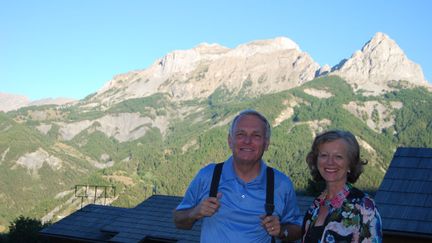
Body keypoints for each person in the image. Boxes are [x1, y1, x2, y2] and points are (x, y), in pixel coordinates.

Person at [174, 109, 302, 242]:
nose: (247, 141)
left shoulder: (281, 184)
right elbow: (178, 220)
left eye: (256, 136)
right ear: (230, 141)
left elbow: (298, 228)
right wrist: (195, 212)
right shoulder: (208, 176)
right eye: (241, 134)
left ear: (266, 143)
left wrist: (281, 231)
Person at [302, 130, 382, 243]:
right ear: (316, 161)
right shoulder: (315, 206)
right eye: (324, 155)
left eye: (338, 156)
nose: (330, 162)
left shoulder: (364, 206)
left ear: (350, 164)